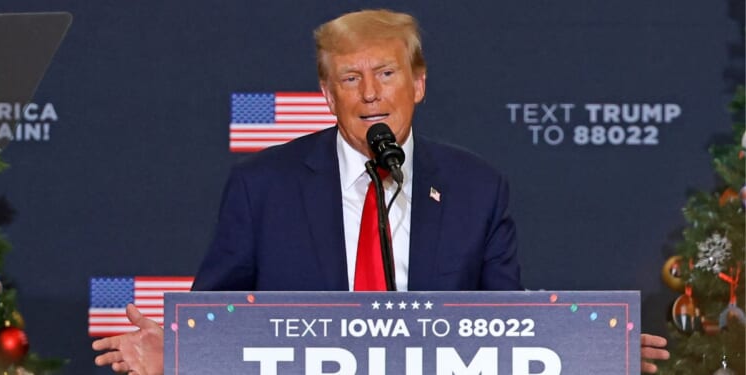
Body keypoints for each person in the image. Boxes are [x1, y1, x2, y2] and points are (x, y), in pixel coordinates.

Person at [93, 8, 669, 374]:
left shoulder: (476, 189)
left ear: (417, 83)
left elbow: (507, 326)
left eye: (386, 74)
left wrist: (588, 349)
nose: (370, 94)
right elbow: (216, 317)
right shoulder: (262, 187)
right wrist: (181, 351)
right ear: (327, 93)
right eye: (350, 78)